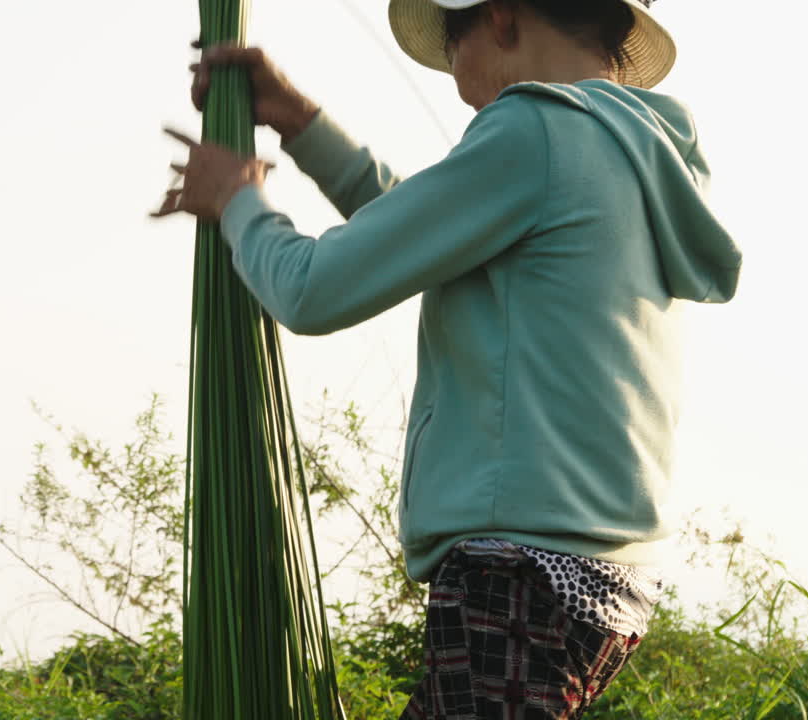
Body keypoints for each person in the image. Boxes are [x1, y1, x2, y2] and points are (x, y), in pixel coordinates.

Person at [153, 0, 742, 716]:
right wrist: (300, 123)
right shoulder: (627, 149)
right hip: (601, 582)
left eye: (449, 38)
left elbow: (310, 291)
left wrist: (239, 203)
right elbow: (428, 228)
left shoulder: (534, 131)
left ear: (497, 18)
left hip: (519, 573)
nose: (450, 69)